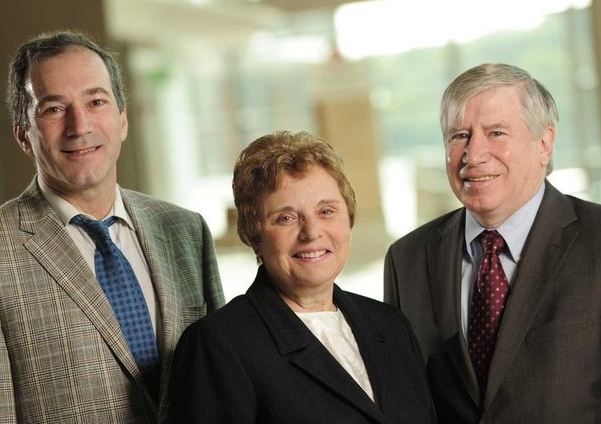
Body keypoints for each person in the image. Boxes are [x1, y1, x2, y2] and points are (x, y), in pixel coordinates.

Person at [0, 30, 225, 423]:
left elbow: (225, 385)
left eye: (96, 101)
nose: (79, 125)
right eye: (52, 109)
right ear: (23, 136)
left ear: (122, 120)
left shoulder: (185, 231)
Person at [384, 63, 601, 423]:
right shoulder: (406, 260)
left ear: (544, 144)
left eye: (496, 132)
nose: (474, 155)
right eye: (459, 136)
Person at [167, 131, 435, 424]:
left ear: (349, 217)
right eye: (286, 217)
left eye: (326, 210)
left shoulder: (391, 324)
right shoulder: (218, 344)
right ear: (254, 234)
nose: (311, 232)